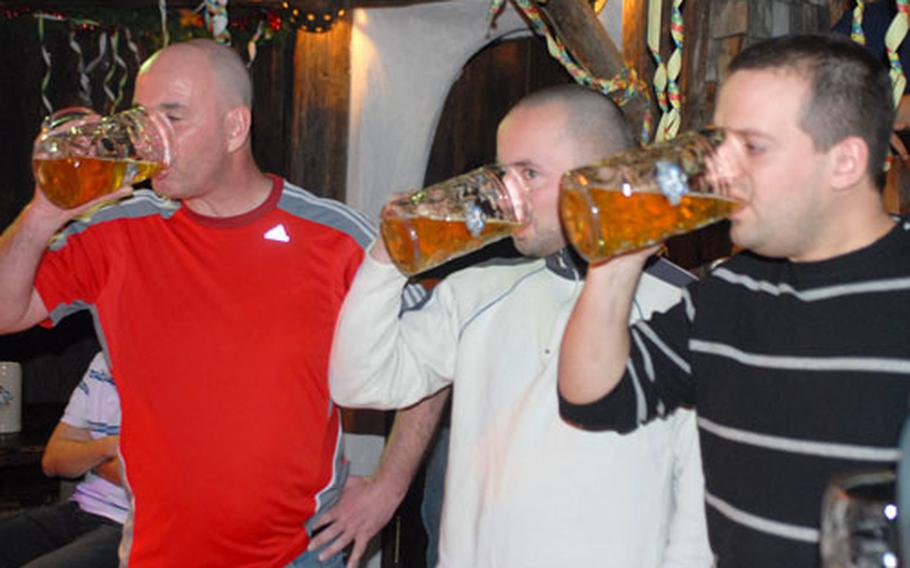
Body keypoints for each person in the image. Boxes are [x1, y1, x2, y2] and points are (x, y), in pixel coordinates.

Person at [0, 38, 439, 567]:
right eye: (143, 117)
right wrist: (43, 214)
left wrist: (388, 488)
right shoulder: (115, 230)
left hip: (299, 556)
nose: (150, 139)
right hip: (156, 555)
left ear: (235, 127)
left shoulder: (335, 238)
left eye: (174, 117)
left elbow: (433, 347)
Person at [557, 33, 910, 567]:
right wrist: (616, 259)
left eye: (753, 147)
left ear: (844, 162)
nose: (722, 171)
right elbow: (593, 398)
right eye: (720, 144)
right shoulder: (728, 290)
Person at [329, 84, 713, 567]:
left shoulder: (686, 310)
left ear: (600, 176)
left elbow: (700, 514)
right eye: (502, 174)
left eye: (530, 173)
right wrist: (385, 260)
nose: (509, 195)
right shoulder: (477, 291)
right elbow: (360, 382)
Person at [0, 352, 124, 568]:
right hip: (80, 510)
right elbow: (53, 459)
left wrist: (85, 453)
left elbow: (147, 477)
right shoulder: (104, 360)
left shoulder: (180, 370)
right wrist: (109, 447)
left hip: (131, 525)